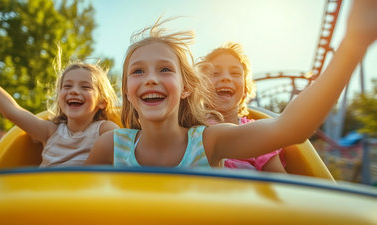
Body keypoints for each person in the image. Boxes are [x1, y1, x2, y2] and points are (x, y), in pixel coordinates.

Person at [85, 0, 377, 168]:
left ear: (186, 87)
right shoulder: (110, 145)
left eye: (164, 69)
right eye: (137, 72)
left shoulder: (210, 140)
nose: (150, 78)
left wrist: (352, 46)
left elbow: (291, 128)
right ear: (126, 90)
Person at [0, 28, 120, 167]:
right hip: (45, 201)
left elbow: (130, 150)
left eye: (85, 87)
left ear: (102, 102)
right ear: (59, 97)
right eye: (67, 86)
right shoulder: (50, 131)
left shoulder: (104, 129)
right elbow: (12, 110)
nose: (74, 91)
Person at [196, 42, 286, 173]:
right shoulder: (191, 125)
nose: (226, 78)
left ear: (245, 89)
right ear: (201, 86)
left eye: (235, 73)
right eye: (215, 73)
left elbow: (279, 180)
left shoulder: (256, 133)